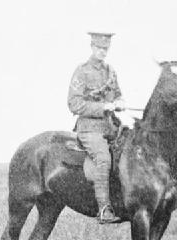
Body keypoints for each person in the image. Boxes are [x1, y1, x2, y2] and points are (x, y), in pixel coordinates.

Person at [67, 31, 125, 224]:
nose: (102, 51)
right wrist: (103, 107)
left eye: (105, 48)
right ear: (92, 47)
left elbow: (117, 94)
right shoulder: (81, 71)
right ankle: (104, 209)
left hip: (110, 128)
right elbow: (74, 104)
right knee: (103, 159)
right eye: (99, 48)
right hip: (89, 129)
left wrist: (120, 101)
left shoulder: (111, 71)